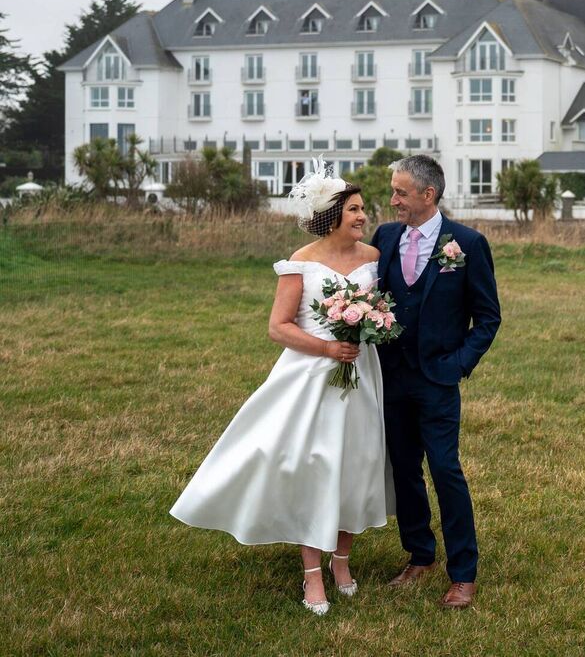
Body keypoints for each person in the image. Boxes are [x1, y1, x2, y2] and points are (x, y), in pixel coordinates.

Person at [170, 162, 392, 616]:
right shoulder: (301, 262)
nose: (362, 216)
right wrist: (328, 349)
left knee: (358, 460)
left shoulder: (372, 259)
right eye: (354, 209)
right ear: (332, 216)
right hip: (310, 377)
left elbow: (378, 310)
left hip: (362, 374)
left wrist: (368, 330)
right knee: (312, 465)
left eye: (363, 209)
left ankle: (342, 561)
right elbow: (278, 327)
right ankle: (312, 573)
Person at [370, 155, 501, 609]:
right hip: (390, 377)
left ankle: (463, 573)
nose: (393, 200)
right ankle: (419, 555)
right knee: (404, 469)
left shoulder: (466, 244)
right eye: (393, 191)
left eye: (401, 192)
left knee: (445, 470)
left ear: (429, 195)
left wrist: (458, 363)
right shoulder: (385, 236)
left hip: (438, 380)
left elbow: (487, 317)